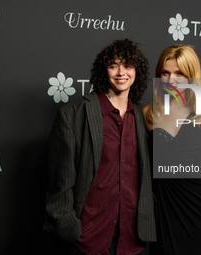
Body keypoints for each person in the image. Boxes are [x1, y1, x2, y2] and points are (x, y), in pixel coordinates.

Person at [46, 39, 156, 255]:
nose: (121, 72)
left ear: (137, 71)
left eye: (128, 65)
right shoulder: (74, 115)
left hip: (134, 239)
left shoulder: (145, 117)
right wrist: (71, 230)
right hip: (88, 238)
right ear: (104, 71)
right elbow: (60, 182)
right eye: (114, 65)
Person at [143, 45, 201, 255]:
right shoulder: (147, 114)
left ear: (192, 77)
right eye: (165, 72)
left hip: (199, 207)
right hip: (163, 207)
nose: (171, 79)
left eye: (179, 73)